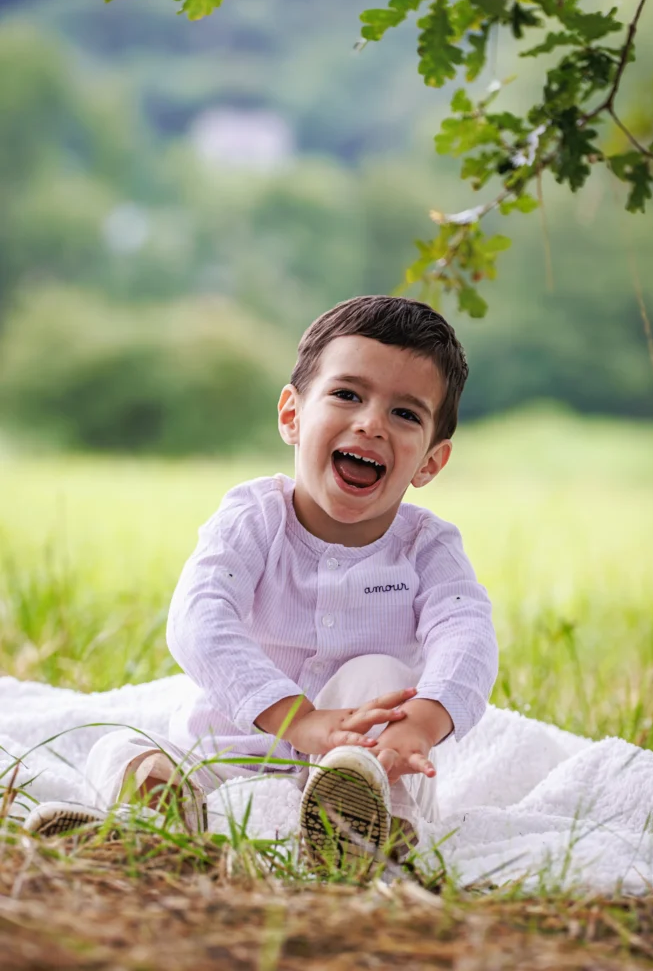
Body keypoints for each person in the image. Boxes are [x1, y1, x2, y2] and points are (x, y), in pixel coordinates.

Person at [25, 296, 498, 863]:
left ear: (430, 462)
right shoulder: (253, 519)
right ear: (292, 416)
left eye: (406, 414)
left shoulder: (427, 548)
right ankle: (155, 829)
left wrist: (420, 724)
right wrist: (297, 720)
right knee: (120, 748)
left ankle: (363, 831)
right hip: (222, 761)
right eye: (348, 395)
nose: (371, 423)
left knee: (380, 676)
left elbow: (468, 636)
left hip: (368, 762)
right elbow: (200, 618)